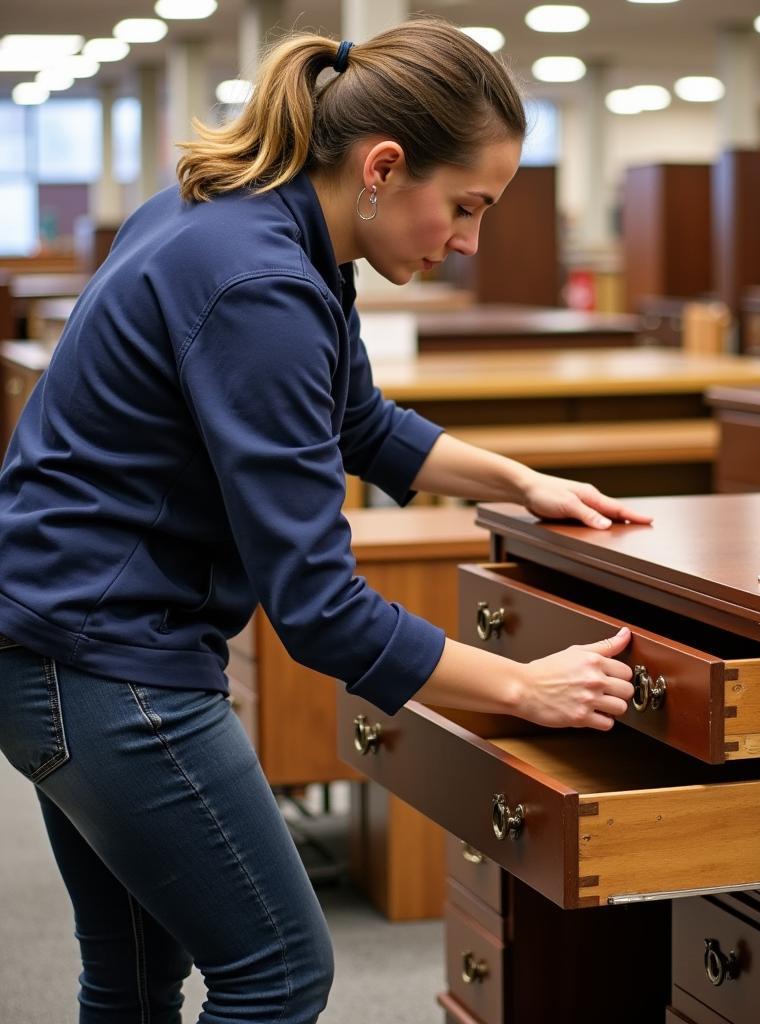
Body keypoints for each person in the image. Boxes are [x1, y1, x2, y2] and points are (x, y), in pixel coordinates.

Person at [0, 18, 652, 1024]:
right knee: (279, 972)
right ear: (385, 166)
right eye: (466, 206)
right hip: (105, 662)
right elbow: (318, 608)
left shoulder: (252, 222)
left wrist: (519, 483)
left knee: (131, 976)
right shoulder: (263, 282)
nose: (470, 241)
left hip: (52, 640)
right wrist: (522, 685)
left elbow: (361, 424)